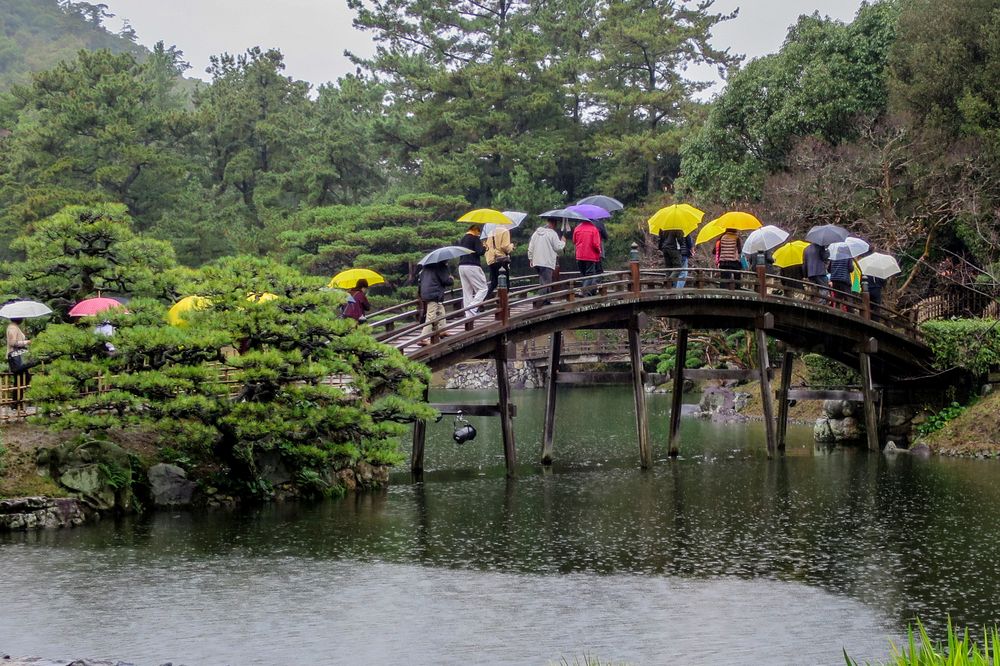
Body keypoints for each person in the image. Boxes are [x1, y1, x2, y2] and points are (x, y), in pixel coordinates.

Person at [528, 218, 566, 304]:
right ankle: (540, 302)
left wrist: (530, 258)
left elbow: (530, 248)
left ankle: (546, 300)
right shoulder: (552, 234)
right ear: (554, 223)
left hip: (537, 261)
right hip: (547, 262)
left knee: (543, 281)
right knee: (546, 282)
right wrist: (563, 242)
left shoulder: (536, 233)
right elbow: (558, 247)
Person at [418, 261, 453, 345]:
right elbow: (446, 281)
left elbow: (420, 282)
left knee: (441, 310)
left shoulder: (425, 268)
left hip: (426, 293)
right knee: (431, 316)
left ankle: (442, 330)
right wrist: (451, 278)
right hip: (434, 294)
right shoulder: (440, 266)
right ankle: (423, 338)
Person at [458, 225, 488, 318]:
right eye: (478, 232)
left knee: (467, 291)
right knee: (483, 288)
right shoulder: (474, 238)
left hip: (462, 266)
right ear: (475, 230)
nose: (479, 235)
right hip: (472, 266)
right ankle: (472, 307)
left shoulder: (462, 239)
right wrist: (485, 247)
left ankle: (468, 315)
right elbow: (479, 252)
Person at [573, 218, 602, 295]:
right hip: (590, 256)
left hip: (579, 255)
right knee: (589, 275)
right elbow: (596, 244)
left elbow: (574, 241)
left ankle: (588, 292)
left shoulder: (577, 228)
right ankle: (584, 292)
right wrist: (599, 251)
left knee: (583, 275)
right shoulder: (594, 229)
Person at [6, 317, 31, 407]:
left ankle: (16, 402)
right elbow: (13, 343)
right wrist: (26, 342)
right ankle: (16, 402)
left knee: (21, 379)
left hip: (18, 356)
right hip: (15, 357)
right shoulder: (13, 327)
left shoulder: (15, 327)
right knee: (22, 378)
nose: (23, 319)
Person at [484, 226, 515, 300]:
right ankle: (502, 303)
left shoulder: (491, 232)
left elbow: (487, 246)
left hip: (491, 259)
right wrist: (511, 246)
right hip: (500, 259)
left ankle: (483, 300)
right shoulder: (504, 231)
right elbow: (504, 246)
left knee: (494, 282)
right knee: (505, 283)